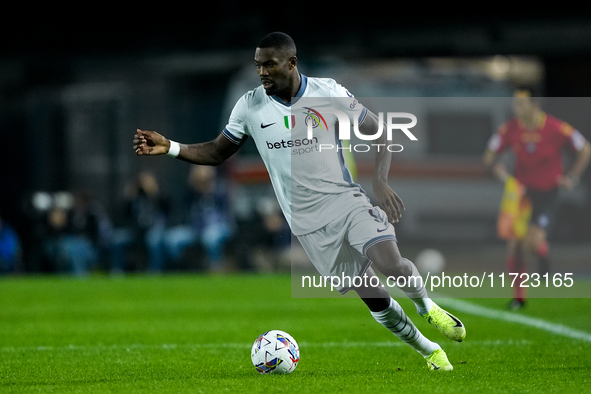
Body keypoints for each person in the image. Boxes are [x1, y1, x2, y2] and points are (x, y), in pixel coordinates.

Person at [133, 32, 465, 371]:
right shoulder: (249, 106)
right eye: (258, 65)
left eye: (269, 65)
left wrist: (379, 181)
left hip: (347, 203)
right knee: (375, 298)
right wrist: (171, 146)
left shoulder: (328, 92)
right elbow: (218, 151)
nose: (261, 72)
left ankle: (428, 309)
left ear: (291, 63)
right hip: (308, 224)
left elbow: (378, 130)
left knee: (391, 263)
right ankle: (429, 351)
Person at [483, 90, 591, 310]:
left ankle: (542, 250)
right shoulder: (510, 129)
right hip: (521, 193)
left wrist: (572, 177)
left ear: (535, 105)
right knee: (514, 244)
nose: (516, 108)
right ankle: (519, 298)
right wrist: (500, 171)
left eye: (521, 104)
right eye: (515, 104)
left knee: (531, 244)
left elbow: (585, 149)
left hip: (548, 194)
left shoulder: (556, 127)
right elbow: (489, 155)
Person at [164, 165, 234, 272]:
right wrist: (195, 184)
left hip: (219, 227)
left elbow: (225, 208)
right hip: (195, 229)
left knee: (210, 237)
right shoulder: (192, 193)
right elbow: (184, 201)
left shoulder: (219, 190)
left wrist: (208, 186)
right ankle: (179, 270)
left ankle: (215, 268)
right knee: (172, 239)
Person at [110, 171, 170, 273]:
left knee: (154, 241)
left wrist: (153, 194)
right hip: (135, 230)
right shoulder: (135, 198)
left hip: (153, 229)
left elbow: (167, 210)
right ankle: (118, 270)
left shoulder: (159, 197)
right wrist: (130, 197)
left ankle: (154, 270)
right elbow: (123, 214)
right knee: (117, 239)